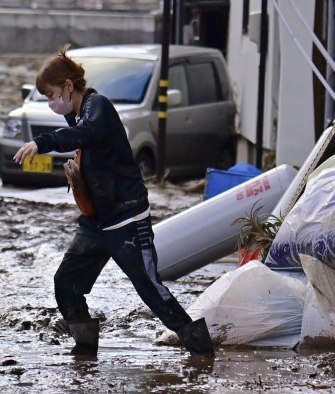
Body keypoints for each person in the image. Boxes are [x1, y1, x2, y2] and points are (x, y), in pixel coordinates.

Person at [13, 45, 214, 358]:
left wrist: (41, 143)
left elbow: (86, 134)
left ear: (68, 87)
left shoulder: (98, 108)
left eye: (52, 95)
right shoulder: (77, 115)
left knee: (150, 289)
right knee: (66, 282)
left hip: (128, 220)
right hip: (96, 223)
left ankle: (200, 349)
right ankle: (84, 350)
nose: (51, 103)